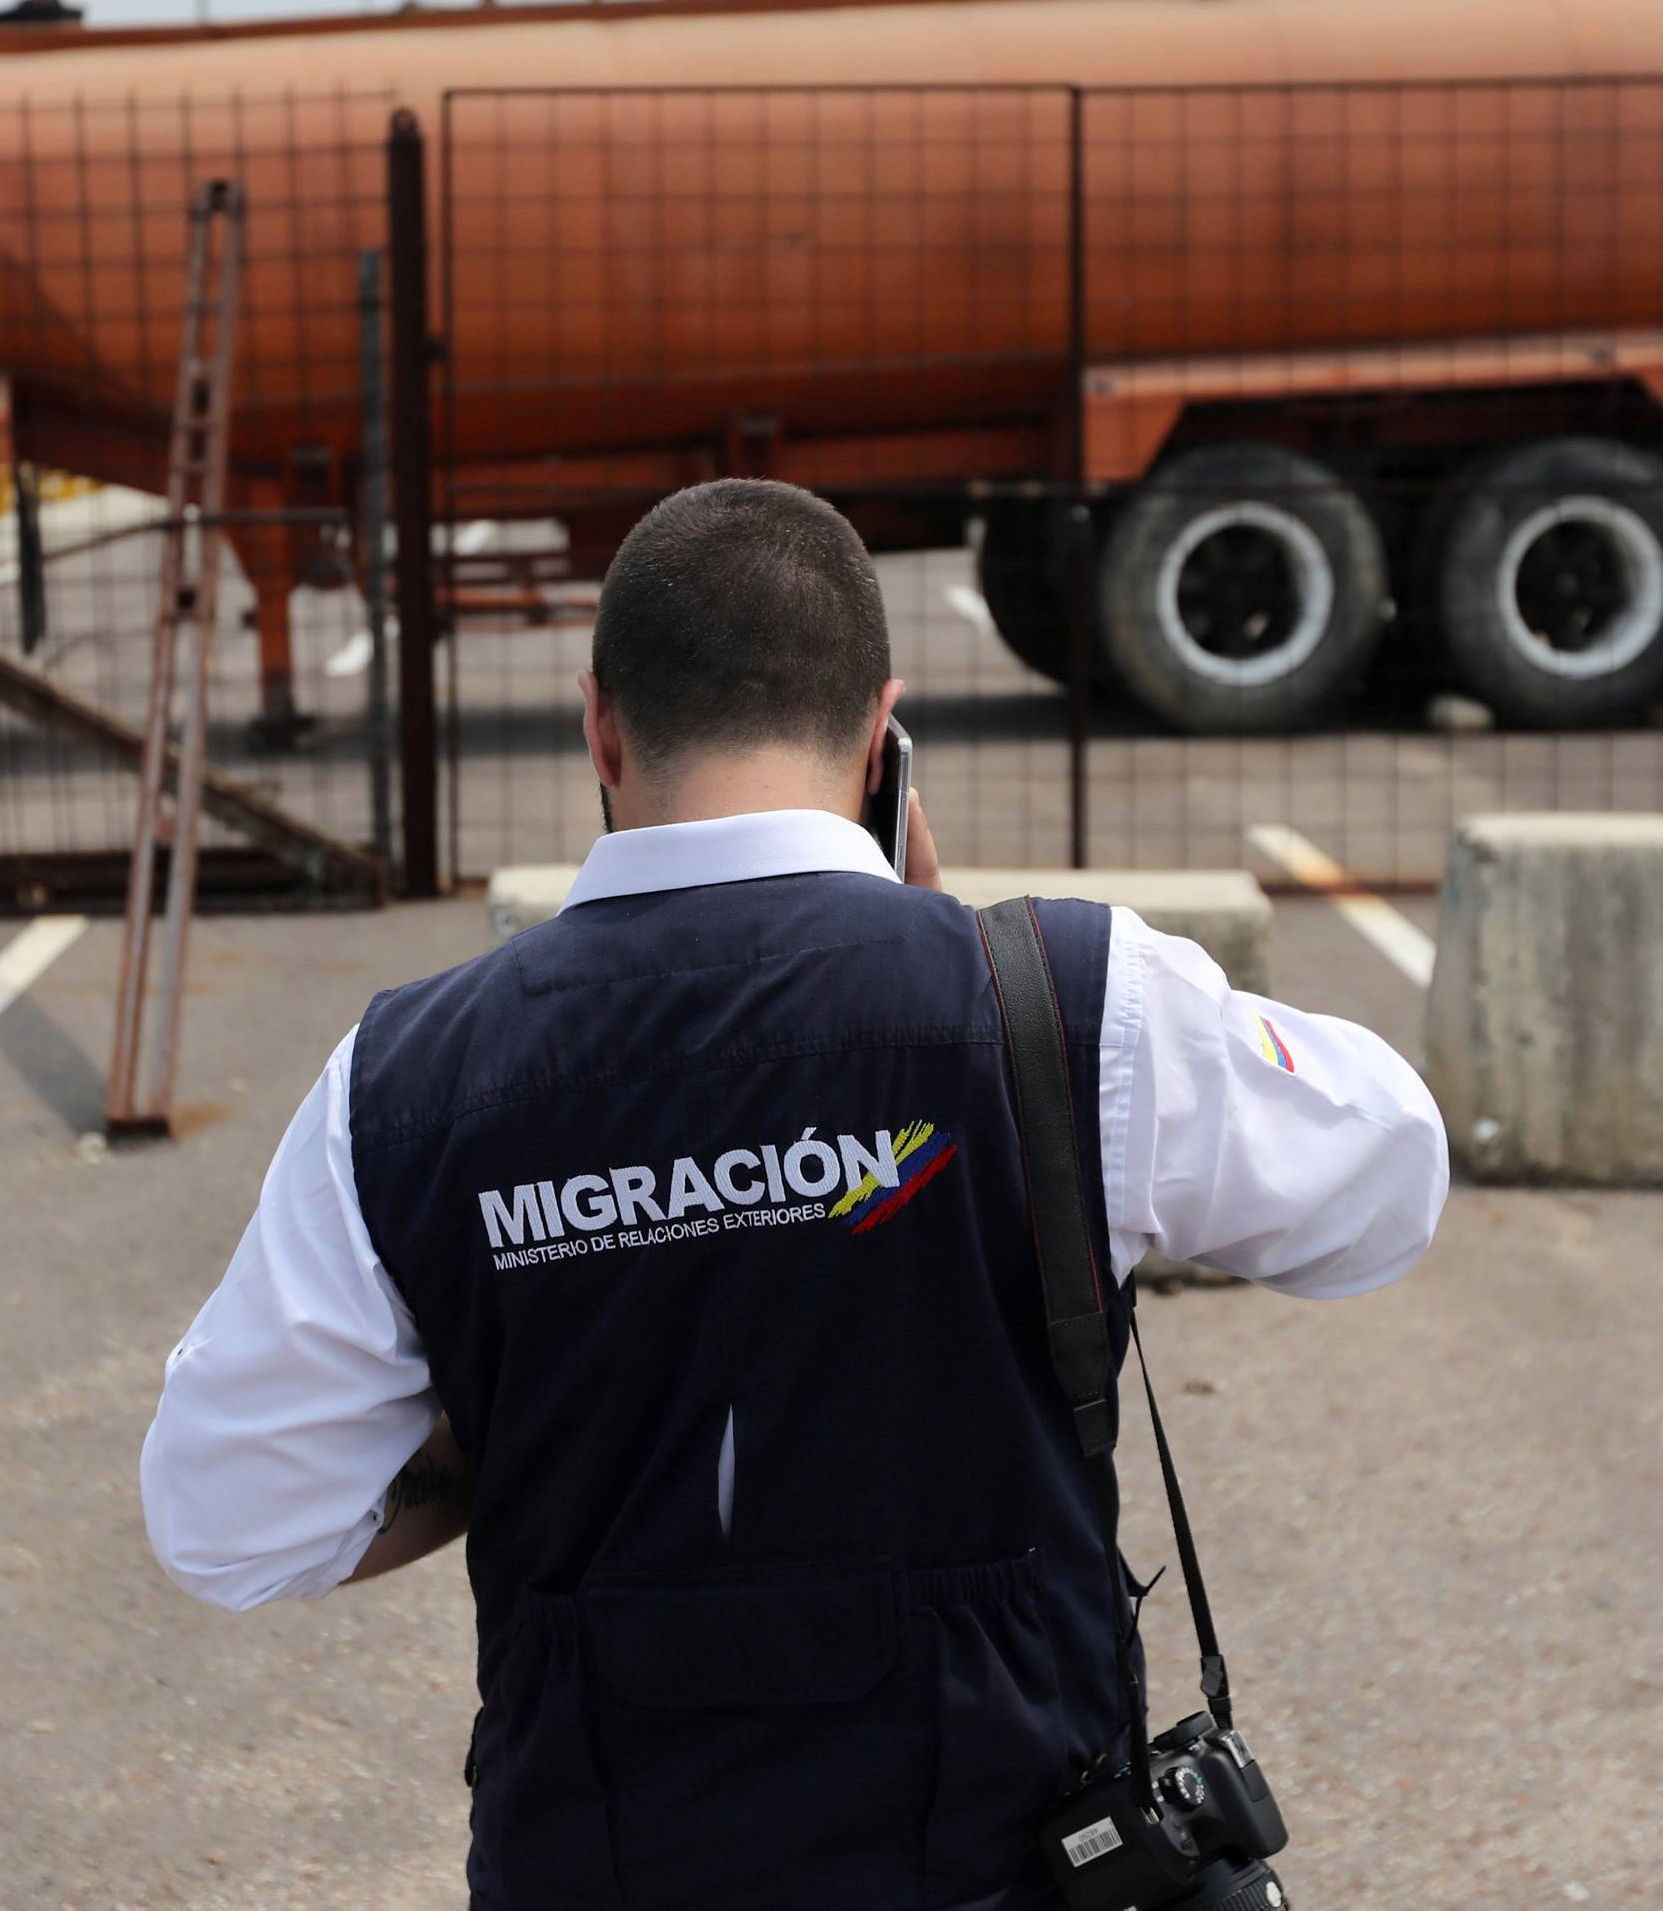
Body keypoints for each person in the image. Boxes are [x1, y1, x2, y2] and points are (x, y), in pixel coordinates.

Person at [142, 478, 1448, 1911]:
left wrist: (505, 1425)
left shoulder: (404, 1078)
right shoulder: (1064, 1010)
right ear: (883, 731)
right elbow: (1390, 1170)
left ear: (600, 724)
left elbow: (227, 1518)